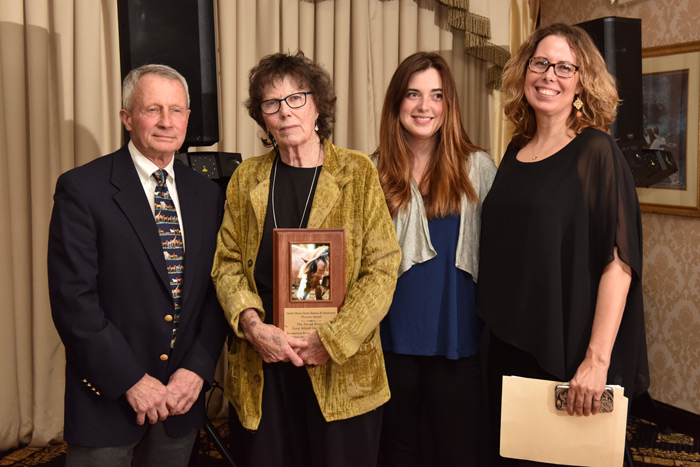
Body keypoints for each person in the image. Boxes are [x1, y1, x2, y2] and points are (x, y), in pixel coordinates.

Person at [211, 51, 401, 467]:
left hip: (341, 368)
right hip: (266, 365)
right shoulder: (248, 178)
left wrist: (331, 341)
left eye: (296, 98)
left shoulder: (356, 172)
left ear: (318, 105)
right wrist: (252, 325)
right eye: (271, 103)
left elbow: (383, 267)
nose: (285, 112)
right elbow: (225, 263)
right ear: (262, 117)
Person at [476, 23, 650, 465]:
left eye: (564, 67)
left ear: (581, 81)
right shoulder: (516, 150)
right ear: (525, 70)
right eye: (540, 63)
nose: (549, 75)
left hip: (566, 350)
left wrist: (596, 361)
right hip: (507, 344)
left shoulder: (596, 152)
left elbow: (619, 263)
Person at [48, 64, 227, 467]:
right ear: (127, 118)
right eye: (153, 109)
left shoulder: (206, 195)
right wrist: (130, 380)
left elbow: (217, 293)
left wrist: (196, 371)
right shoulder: (82, 189)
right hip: (107, 401)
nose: (167, 122)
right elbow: (73, 301)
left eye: (177, 110)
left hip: (180, 400)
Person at [372, 52, 496, 466]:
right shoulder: (369, 172)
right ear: (396, 102)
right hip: (390, 340)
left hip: (457, 340)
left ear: (449, 104)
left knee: (458, 452)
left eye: (436, 95)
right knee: (396, 450)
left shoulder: (477, 167)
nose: (425, 107)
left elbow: (500, 252)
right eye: (413, 94)